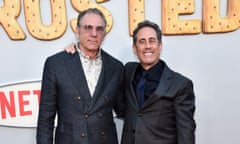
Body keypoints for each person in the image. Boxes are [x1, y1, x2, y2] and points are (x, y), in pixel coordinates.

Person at [36, 8, 125, 144]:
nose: (94, 34)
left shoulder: (116, 67)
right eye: (88, 28)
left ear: (104, 34)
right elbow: (45, 119)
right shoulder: (56, 64)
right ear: (77, 32)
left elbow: (124, 109)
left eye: (99, 29)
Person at [121, 20, 196, 144]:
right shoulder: (128, 71)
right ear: (135, 48)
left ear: (160, 46)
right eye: (142, 41)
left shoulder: (180, 85)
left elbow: (185, 131)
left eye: (152, 40)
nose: (147, 46)